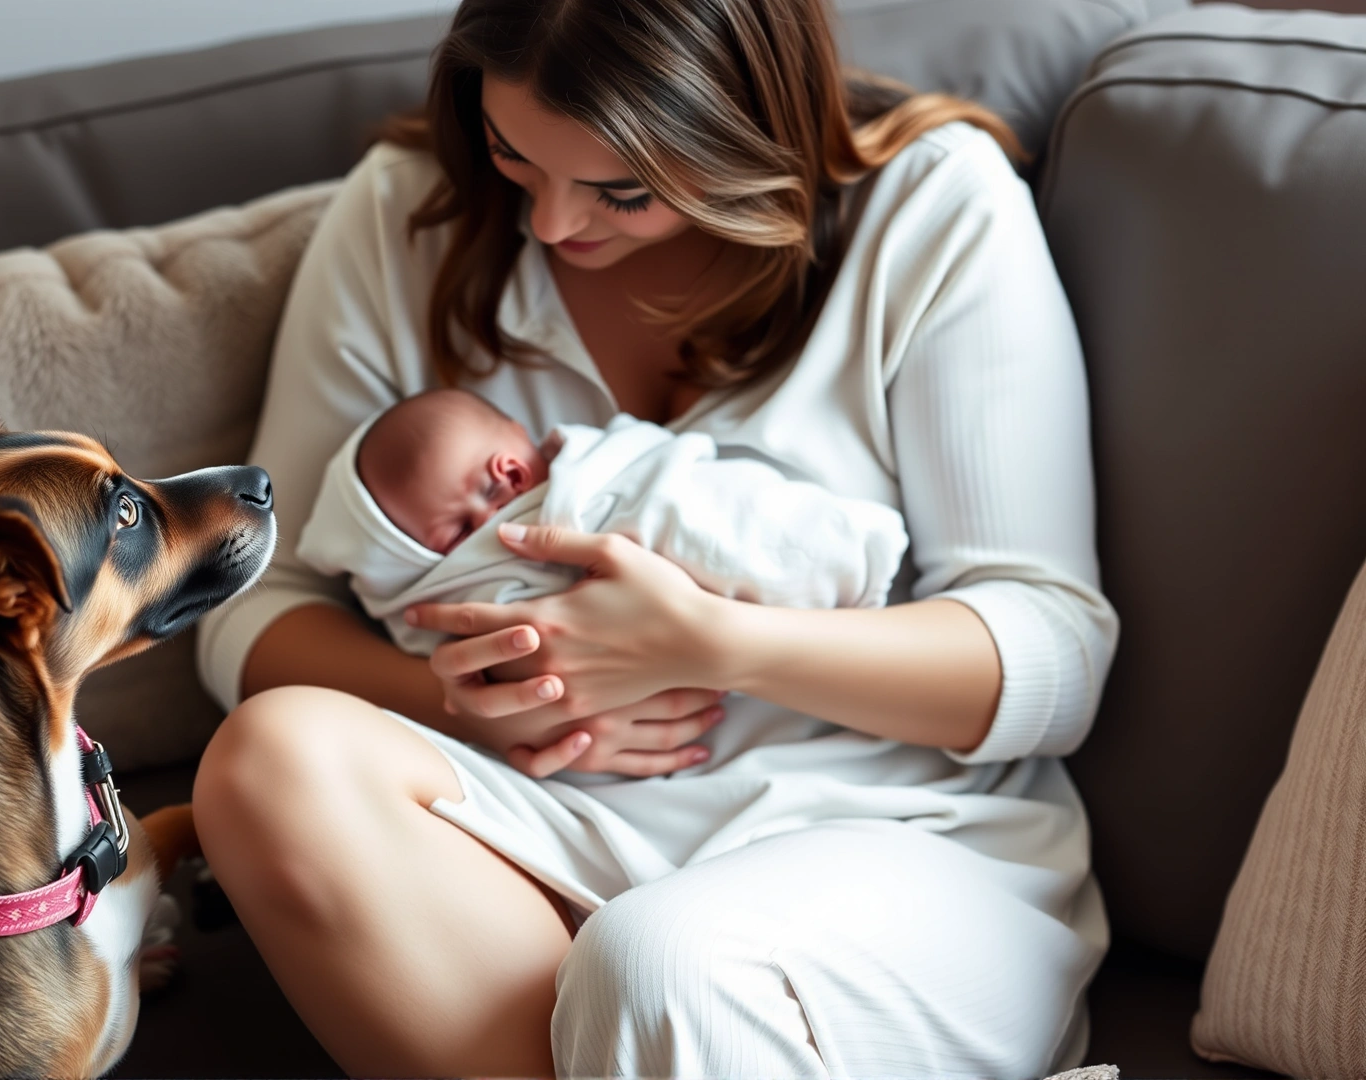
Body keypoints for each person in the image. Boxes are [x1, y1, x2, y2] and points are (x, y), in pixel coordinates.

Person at [193, 0, 1117, 1075]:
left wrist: (711, 642)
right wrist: (484, 709)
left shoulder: (930, 207)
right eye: (512, 154)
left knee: (661, 963)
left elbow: (1054, 656)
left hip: (880, 833)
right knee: (270, 763)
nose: (548, 225)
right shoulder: (412, 217)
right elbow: (253, 600)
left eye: (622, 191)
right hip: (545, 815)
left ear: (743, 129)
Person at [296, 388, 909, 657]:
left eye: (495, 481)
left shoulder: (600, 468)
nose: (495, 512)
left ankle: (829, 555)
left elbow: (665, 488)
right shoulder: (463, 591)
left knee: (702, 513)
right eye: (459, 534)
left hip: (847, 654)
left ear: (517, 433)